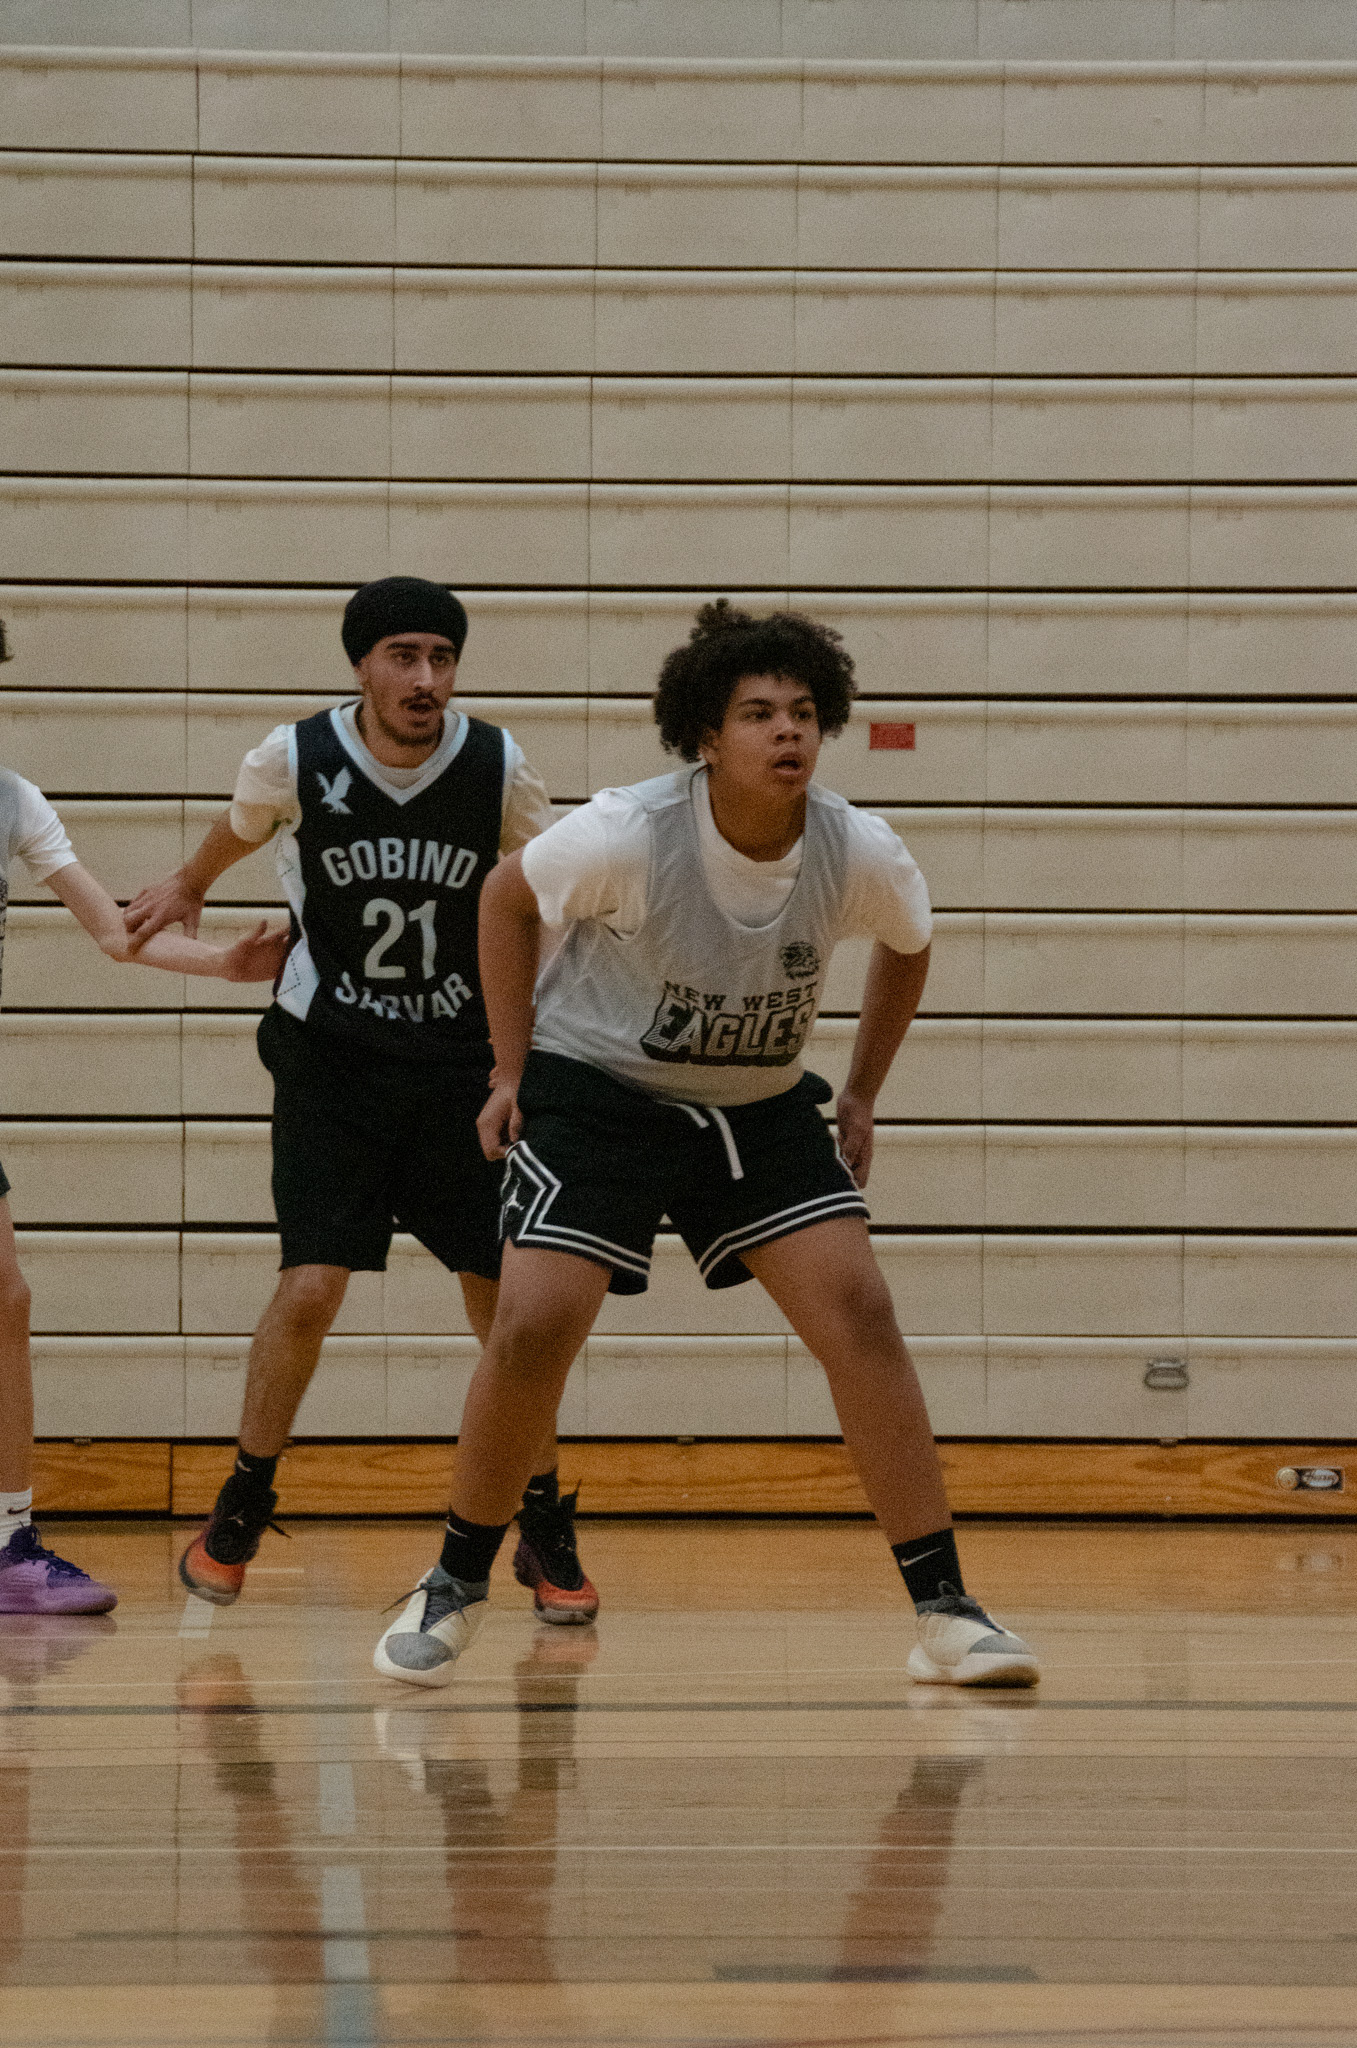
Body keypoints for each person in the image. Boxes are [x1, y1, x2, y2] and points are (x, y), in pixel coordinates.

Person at [374, 600, 1039, 1689]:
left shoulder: (855, 847)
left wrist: (861, 1090)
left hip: (756, 1102)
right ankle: (451, 1583)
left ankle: (946, 1610)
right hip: (599, 1093)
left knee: (861, 1312)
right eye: (759, 714)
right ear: (705, 736)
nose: (788, 732)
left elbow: (909, 942)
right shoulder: (628, 831)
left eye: (804, 713)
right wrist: (507, 1069)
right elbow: (503, 899)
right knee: (533, 1322)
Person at [124, 577, 599, 1620]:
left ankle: (541, 1520)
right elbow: (243, 825)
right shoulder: (294, 756)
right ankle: (242, 1500)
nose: (424, 678)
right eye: (402, 656)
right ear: (361, 665)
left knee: (506, 1304)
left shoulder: (498, 765)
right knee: (310, 1286)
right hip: (330, 1061)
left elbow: (554, 890)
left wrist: (542, 1040)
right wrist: (191, 882)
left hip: (461, 1069)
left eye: (441, 656)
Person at [0, 611, 289, 1613]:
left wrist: (224, 963)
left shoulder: (12, 799)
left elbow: (115, 932)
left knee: (6, 1302)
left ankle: (10, 1545)